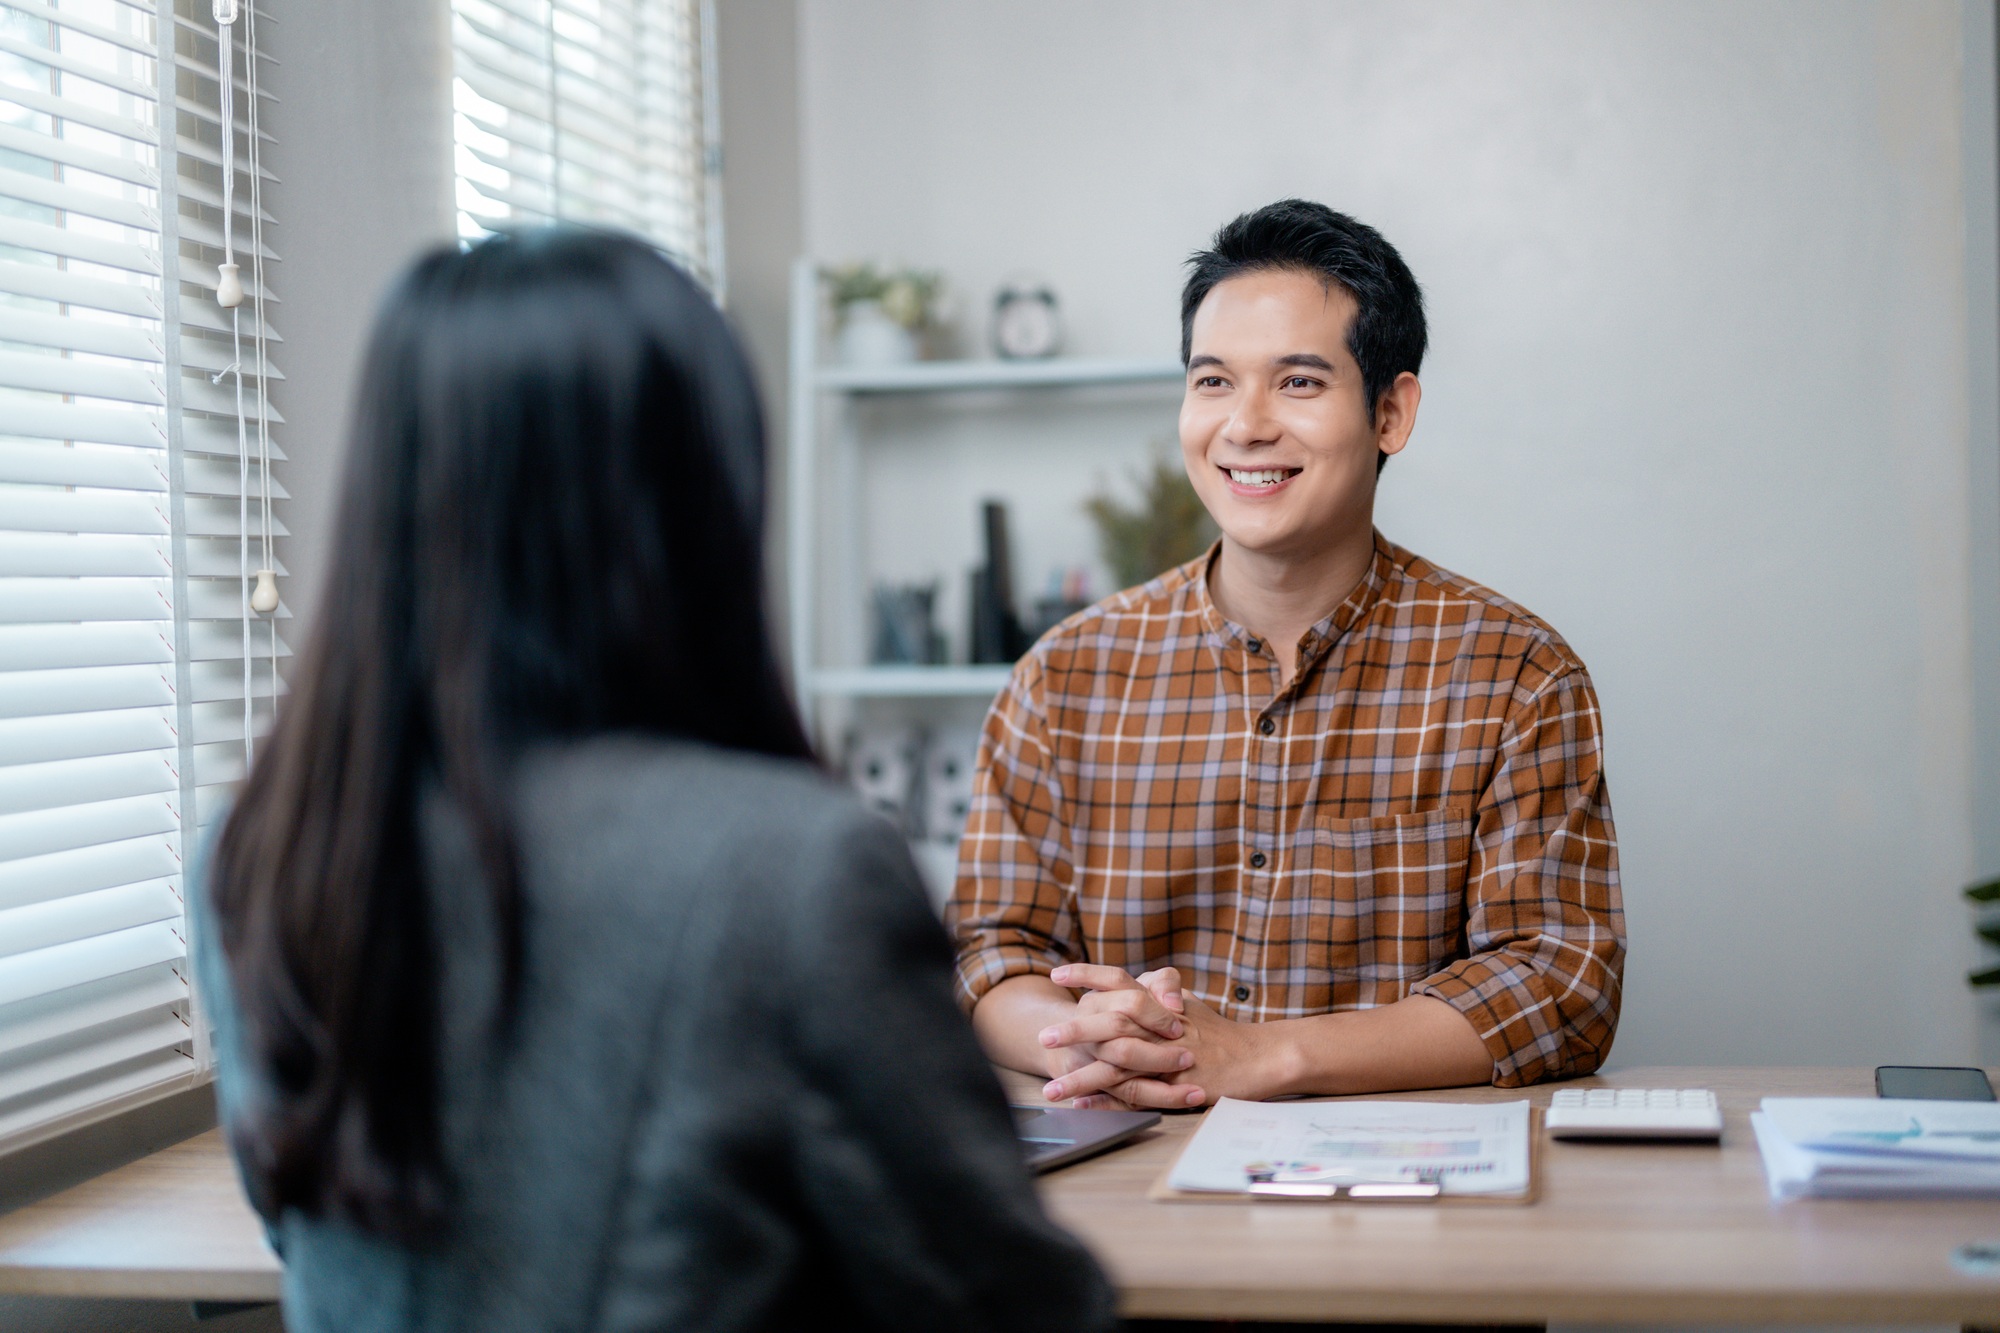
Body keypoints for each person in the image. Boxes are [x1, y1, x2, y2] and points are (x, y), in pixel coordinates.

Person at [193, 228, 1116, 1332]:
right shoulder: (787, 870)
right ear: (695, 497)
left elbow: (295, 1218)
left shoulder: (260, 852)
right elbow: (1010, 1304)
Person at [948, 199, 1626, 1111]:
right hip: (1127, 1176)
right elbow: (990, 954)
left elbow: (1561, 980)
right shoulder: (1065, 674)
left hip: (1403, 1197)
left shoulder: (1516, 674)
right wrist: (1092, 1037)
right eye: (1214, 381)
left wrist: (1269, 1056)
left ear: (1391, 411)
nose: (1247, 425)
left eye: (1299, 383)